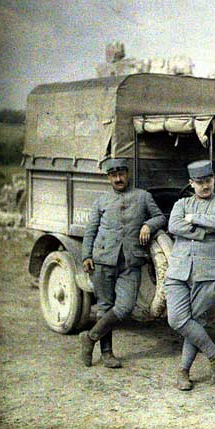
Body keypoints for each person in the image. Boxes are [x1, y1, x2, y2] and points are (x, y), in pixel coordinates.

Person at [80, 158, 166, 368]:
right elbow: (91, 230)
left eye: (121, 174)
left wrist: (148, 225)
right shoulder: (101, 200)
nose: (118, 179)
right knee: (104, 306)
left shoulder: (143, 197)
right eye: (113, 175)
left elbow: (160, 217)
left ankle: (90, 337)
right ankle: (107, 353)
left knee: (125, 306)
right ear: (109, 177)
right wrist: (86, 255)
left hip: (131, 261)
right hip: (103, 259)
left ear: (128, 174)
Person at [165, 160, 215, 391]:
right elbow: (173, 226)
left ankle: (183, 372)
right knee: (177, 319)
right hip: (178, 271)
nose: (205, 186)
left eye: (208, 181)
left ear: (214, 179)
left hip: (208, 273)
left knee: (196, 323)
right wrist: (207, 232)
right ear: (191, 183)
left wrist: (193, 219)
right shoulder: (181, 204)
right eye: (200, 182)